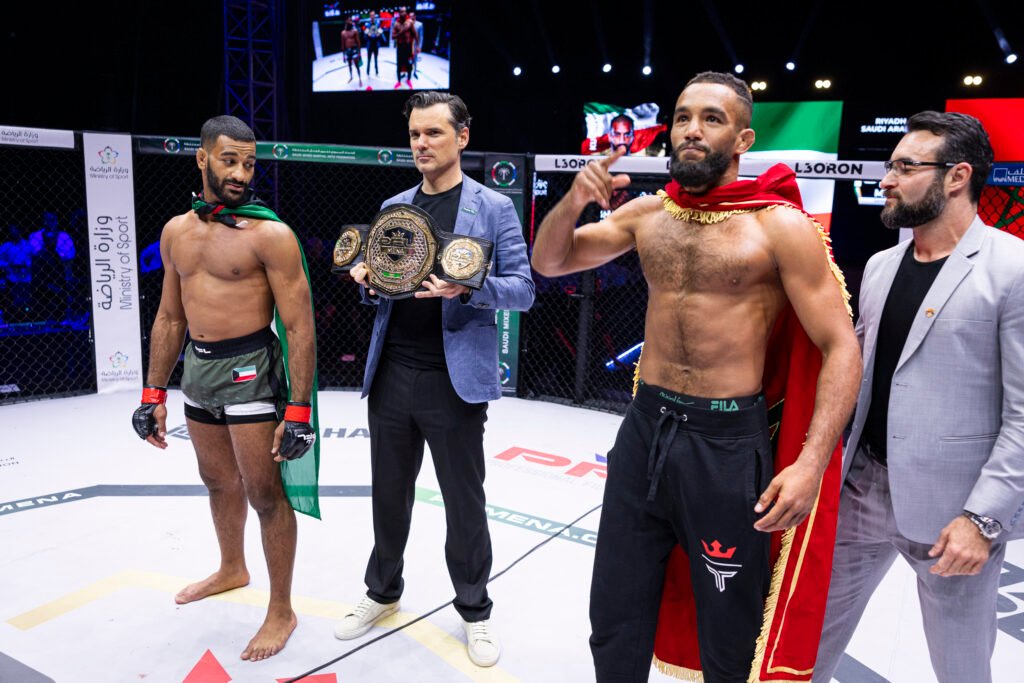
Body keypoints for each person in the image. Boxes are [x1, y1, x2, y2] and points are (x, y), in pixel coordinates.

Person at [531, 71, 862, 683]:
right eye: (683, 117)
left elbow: (840, 345)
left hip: (727, 443)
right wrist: (574, 198)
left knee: (728, 628)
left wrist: (811, 464)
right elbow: (550, 262)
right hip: (645, 428)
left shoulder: (777, 226)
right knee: (615, 612)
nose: (691, 130)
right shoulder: (648, 215)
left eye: (711, 119)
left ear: (743, 138)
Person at [813, 112, 1024, 682]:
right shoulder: (881, 265)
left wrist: (982, 519)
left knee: (961, 671)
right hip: (861, 491)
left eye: (905, 167)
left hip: (955, 510)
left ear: (957, 177)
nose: (886, 179)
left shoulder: (1012, 268)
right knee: (800, 652)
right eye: (890, 165)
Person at [333, 91, 535, 668]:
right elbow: (387, 285)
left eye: (434, 134)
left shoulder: (493, 207)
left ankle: (475, 610)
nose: (422, 143)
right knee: (387, 497)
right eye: (416, 134)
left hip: (454, 381)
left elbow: (523, 289)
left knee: (463, 503)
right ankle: (382, 592)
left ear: (462, 138)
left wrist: (468, 287)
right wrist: (368, 277)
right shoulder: (395, 204)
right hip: (393, 370)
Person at [132, 115, 318, 662]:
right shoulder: (175, 232)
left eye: (250, 162)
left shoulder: (270, 234)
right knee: (217, 481)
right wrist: (153, 394)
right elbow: (169, 317)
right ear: (202, 158)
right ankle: (232, 567)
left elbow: (301, 325)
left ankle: (281, 608)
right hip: (200, 369)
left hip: (251, 371)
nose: (241, 172)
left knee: (265, 494)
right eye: (230, 160)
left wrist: (300, 408)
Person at [391, 7, 417, 89]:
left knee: (409, 64)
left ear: (406, 13)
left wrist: (418, 46)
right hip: (400, 47)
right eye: (401, 12)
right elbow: (392, 36)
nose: (403, 13)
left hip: (408, 47)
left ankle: (409, 80)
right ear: (399, 13)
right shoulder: (396, 24)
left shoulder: (410, 22)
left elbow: (415, 34)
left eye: (404, 11)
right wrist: (402, 31)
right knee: (399, 65)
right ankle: (398, 81)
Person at [340, 18, 362, 87]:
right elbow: (342, 44)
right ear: (346, 22)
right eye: (349, 21)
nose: (350, 22)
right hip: (347, 51)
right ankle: (351, 76)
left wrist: (359, 53)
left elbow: (358, 43)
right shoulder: (343, 33)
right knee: (349, 65)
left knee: (357, 65)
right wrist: (343, 56)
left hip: (354, 50)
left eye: (351, 21)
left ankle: (359, 78)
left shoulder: (355, 31)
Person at [362, 10, 384, 77]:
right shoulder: (367, 24)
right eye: (371, 15)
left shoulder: (378, 23)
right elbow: (365, 33)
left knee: (376, 59)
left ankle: (376, 71)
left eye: (373, 15)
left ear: (375, 16)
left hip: (376, 43)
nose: (372, 16)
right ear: (370, 16)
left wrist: (378, 34)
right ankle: (368, 72)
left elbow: (380, 31)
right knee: (369, 59)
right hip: (369, 44)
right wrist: (369, 34)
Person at [409, 11, 424, 79]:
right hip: (408, 44)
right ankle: (406, 72)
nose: (410, 17)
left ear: (414, 16)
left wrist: (419, 47)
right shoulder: (407, 24)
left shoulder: (419, 24)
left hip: (415, 45)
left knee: (414, 59)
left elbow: (421, 37)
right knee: (407, 59)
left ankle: (414, 72)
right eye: (410, 16)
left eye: (412, 16)